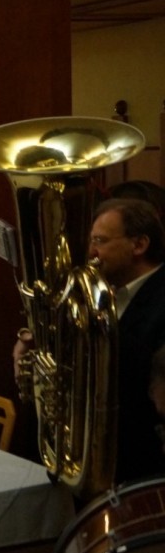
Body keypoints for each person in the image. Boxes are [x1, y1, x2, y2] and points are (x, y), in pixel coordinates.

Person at [88, 198, 165, 482]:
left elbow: (139, 373)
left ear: (139, 245)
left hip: (142, 467)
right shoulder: (104, 293)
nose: (91, 252)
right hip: (106, 459)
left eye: (100, 241)